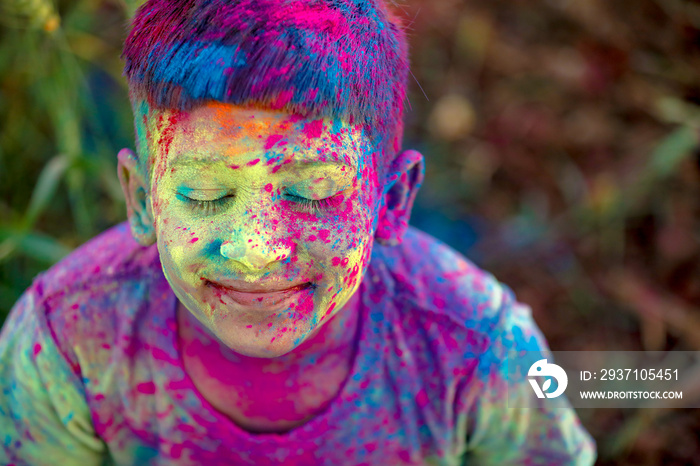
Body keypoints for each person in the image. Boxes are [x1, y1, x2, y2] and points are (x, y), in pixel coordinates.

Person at [0, 0, 596, 464]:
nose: (257, 250)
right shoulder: (68, 340)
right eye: (204, 196)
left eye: (311, 193)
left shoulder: (476, 349)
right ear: (142, 200)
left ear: (391, 199)